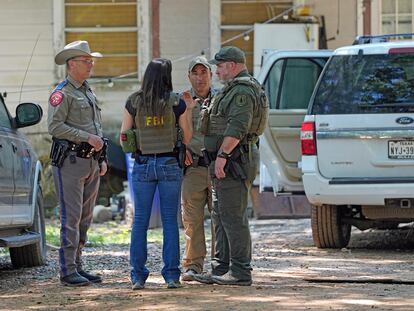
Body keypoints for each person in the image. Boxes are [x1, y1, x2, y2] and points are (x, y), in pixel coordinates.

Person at [193, 46, 268, 286]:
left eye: (220, 66)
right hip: (228, 159)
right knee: (220, 214)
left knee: (233, 216)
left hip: (235, 159)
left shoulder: (242, 91)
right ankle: (221, 268)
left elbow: (238, 127)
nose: (216, 71)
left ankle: (240, 271)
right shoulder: (234, 89)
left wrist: (223, 155)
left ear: (233, 65)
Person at [120, 58, 194, 290]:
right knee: (170, 221)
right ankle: (171, 276)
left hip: (142, 164)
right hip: (170, 163)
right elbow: (188, 137)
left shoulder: (133, 102)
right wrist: (189, 109)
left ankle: (138, 276)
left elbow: (124, 137)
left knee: (140, 221)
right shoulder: (177, 102)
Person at [48, 40, 108, 286]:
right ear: (72, 64)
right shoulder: (62, 92)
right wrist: (87, 138)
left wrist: (101, 158)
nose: (91, 64)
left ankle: (78, 266)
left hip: (90, 162)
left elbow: (97, 126)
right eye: (86, 61)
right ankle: (67, 270)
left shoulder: (87, 90)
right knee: (70, 217)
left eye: (91, 60)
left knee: (84, 218)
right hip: (70, 163)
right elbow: (54, 126)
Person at [181, 56, 216, 282]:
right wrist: (180, 148)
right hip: (192, 167)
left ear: (211, 75)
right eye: (196, 73)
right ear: (189, 76)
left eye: (204, 73)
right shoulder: (182, 100)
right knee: (192, 219)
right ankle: (194, 265)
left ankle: (223, 264)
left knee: (221, 218)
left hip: (217, 167)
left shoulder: (222, 99)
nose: (200, 77)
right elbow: (174, 129)